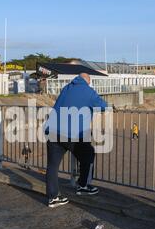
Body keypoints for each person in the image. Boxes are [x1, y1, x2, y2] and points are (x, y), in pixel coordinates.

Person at [45, 73, 108, 208]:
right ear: (88, 82)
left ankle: (53, 197)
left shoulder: (66, 88)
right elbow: (103, 106)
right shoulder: (89, 92)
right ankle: (83, 185)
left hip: (53, 131)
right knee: (88, 154)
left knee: (52, 165)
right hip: (73, 134)